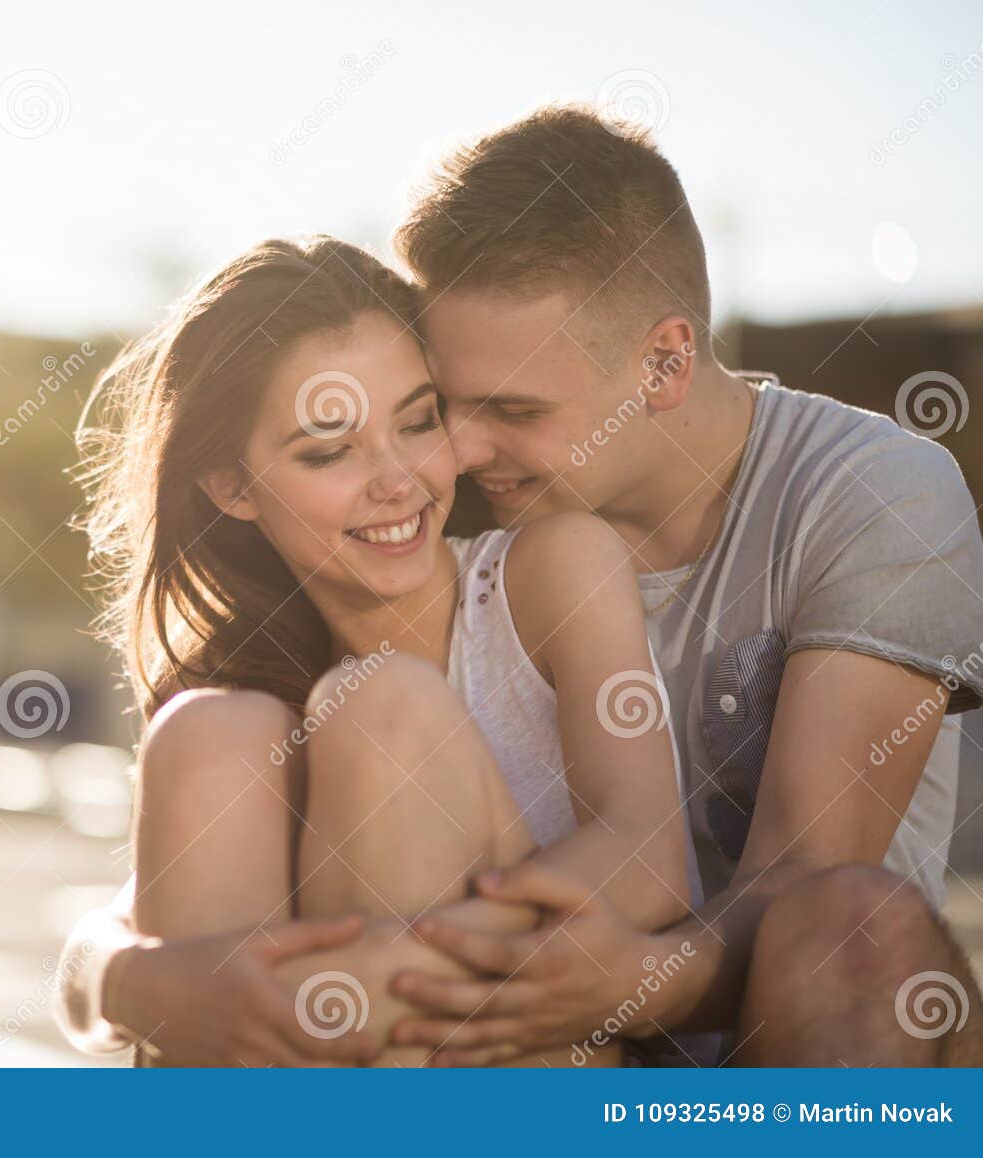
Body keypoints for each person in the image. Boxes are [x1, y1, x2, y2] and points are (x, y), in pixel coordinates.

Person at [376, 103, 983, 1065]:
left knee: (858, 927)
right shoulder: (427, 503)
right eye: (441, 404)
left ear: (664, 361)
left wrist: (623, 988)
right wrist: (127, 972)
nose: (456, 449)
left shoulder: (871, 489)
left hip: (782, 1058)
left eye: (513, 409)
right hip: (526, 1058)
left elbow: (809, 874)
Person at [57, 234, 691, 1066]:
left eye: (419, 421)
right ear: (232, 487)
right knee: (204, 731)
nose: (397, 481)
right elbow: (96, 954)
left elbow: (653, 864)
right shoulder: (255, 702)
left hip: (541, 1074)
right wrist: (144, 985)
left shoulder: (550, 569)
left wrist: (362, 976)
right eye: (329, 450)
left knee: (384, 704)